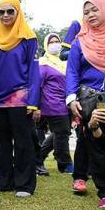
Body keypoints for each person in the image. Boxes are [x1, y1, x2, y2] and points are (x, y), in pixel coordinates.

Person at [66, 0, 105, 208]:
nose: (89, 15)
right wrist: (71, 100)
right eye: (86, 12)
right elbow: (72, 72)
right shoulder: (80, 42)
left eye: (94, 10)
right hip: (94, 103)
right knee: (98, 148)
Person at [0, 0, 40, 198]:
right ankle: (4, 182)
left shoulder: (28, 37)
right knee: (1, 143)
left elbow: (34, 71)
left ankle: (25, 185)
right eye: (1, 12)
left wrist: (33, 102)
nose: (6, 15)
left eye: (10, 11)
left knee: (23, 142)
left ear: (18, 12)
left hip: (20, 97)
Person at [36, 33, 73, 173]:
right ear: (46, 45)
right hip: (51, 103)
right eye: (51, 42)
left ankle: (37, 159)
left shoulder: (61, 63)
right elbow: (38, 86)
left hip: (65, 103)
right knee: (62, 132)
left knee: (59, 133)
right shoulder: (43, 63)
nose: (55, 44)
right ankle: (65, 163)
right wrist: (37, 107)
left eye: (57, 41)